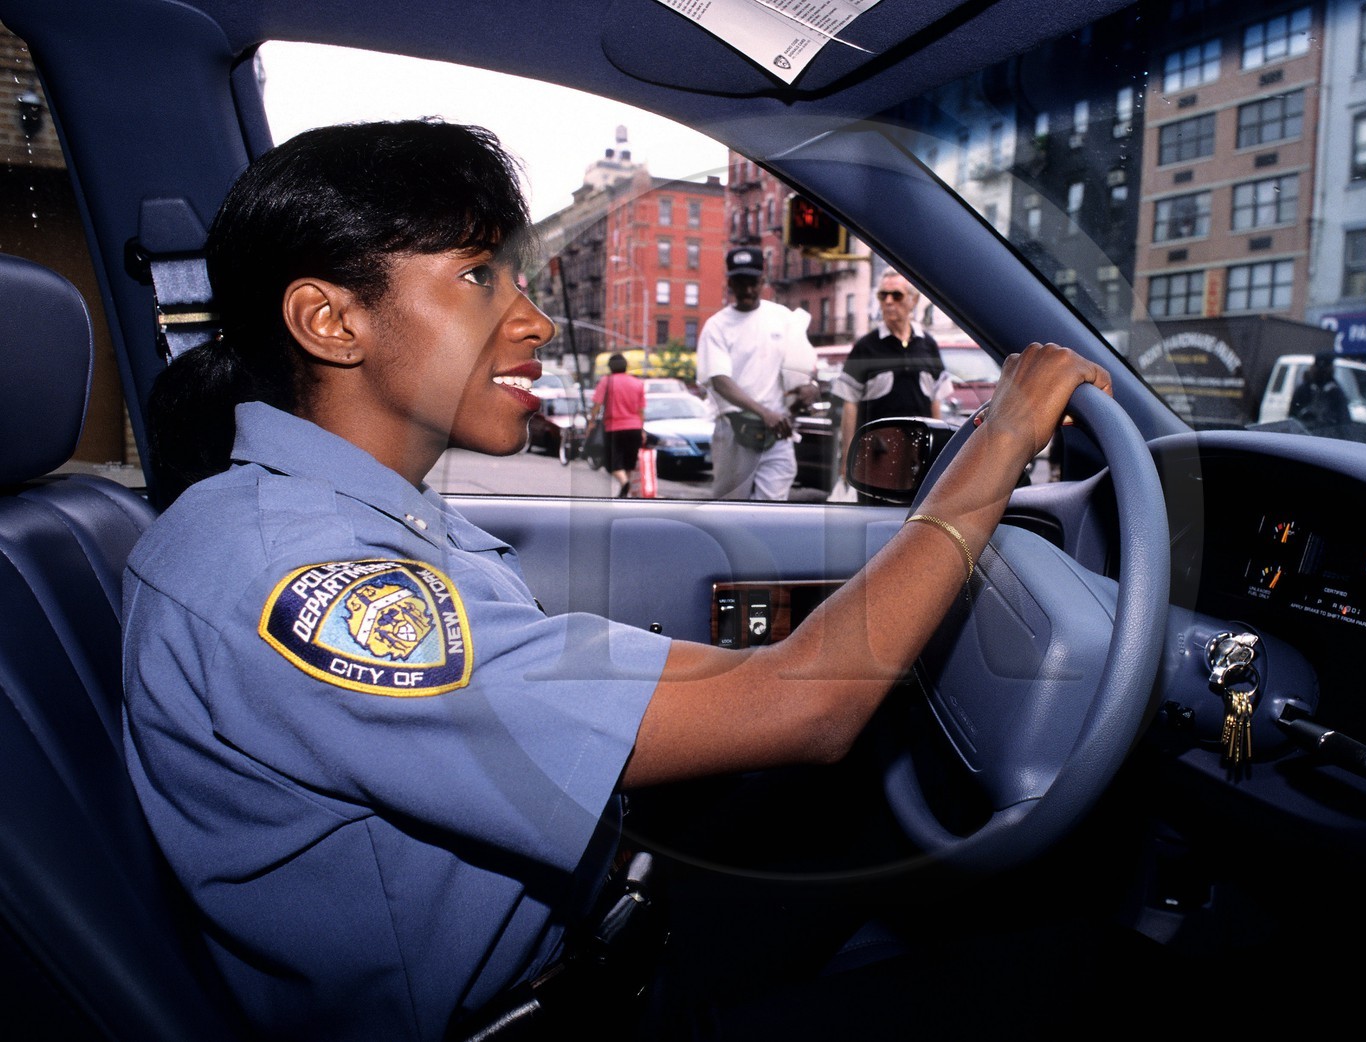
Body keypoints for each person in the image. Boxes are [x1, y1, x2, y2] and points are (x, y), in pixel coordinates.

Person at [123, 119, 1112, 1041]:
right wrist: (1004, 436)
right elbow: (803, 708)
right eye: (478, 278)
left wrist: (796, 667)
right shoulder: (301, 578)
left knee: (884, 779)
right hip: (555, 1005)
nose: (535, 322)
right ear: (330, 321)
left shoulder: (335, 519)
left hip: (608, 915)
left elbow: (729, 684)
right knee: (1071, 972)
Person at [695, 248, 819, 500]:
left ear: (763, 281)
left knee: (773, 507)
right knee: (730, 506)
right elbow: (719, 381)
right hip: (735, 429)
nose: (748, 291)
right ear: (729, 283)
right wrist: (764, 413)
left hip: (777, 430)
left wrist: (811, 387)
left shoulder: (782, 318)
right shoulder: (716, 326)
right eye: (740, 283)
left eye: (753, 283)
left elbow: (800, 367)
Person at [832, 269, 948, 484]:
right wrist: (848, 458)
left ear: (913, 301)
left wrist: (937, 454)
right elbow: (850, 405)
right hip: (876, 455)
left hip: (917, 455)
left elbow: (936, 400)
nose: (888, 301)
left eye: (896, 295)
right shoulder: (866, 347)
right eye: (882, 295)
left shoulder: (927, 345)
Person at [592, 351, 647, 496]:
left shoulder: (606, 381)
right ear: (626, 366)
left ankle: (624, 483)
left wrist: (591, 422)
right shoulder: (637, 383)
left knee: (611, 463)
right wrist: (642, 430)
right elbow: (641, 411)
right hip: (634, 428)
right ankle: (624, 493)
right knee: (629, 463)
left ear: (610, 367)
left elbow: (597, 405)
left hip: (613, 428)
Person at [1288, 351, 1352, 435]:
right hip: (1303, 437)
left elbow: (1344, 423)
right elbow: (1292, 418)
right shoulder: (1304, 390)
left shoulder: (1335, 392)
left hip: (1326, 440)